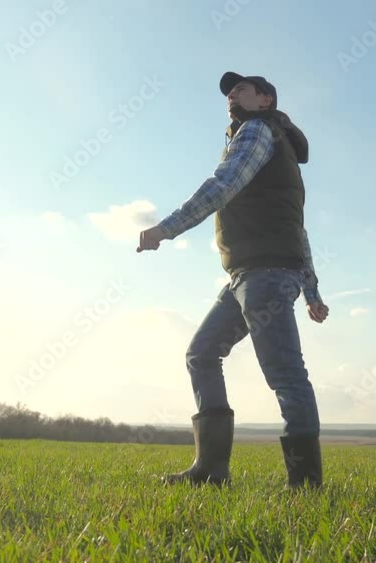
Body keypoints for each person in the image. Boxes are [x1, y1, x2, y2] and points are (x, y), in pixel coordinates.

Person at [136, 71, 328, 489]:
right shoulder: (275, 145)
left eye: (242, 89)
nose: (232, 95)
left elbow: (223, 185)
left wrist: (165, 229)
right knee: (202, 353)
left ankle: (305, 485)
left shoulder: (257, 131)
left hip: (265, 276)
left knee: (284, 373)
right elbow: (297, 229)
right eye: (229, 91)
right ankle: (210, 469)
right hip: (249, 276)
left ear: (266, 100)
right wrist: (311, 291)